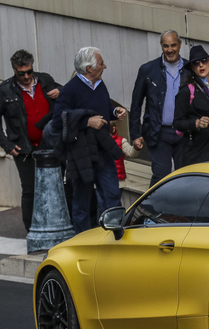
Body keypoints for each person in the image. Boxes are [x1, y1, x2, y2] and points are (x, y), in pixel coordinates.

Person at [51, 46, 126, 234]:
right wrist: (87, 122)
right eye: (101, 64)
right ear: (89, 68)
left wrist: (114, 112)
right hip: (82, 155)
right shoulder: (70, 90)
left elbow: (102, 108)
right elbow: (58, 120)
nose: (105, 66)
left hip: (104, 152)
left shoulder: (100, 84)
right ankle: (82, 243)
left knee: (112, 198)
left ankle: (115, 237)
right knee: (81, 203)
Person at [0, 49, 62, 231]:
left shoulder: (45, 80)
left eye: (29, 71)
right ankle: (32, 230)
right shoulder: (5, 90)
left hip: (51, 145)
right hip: (24, 149)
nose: (26, 76)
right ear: (14, 71)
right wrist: (7, 145)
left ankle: (54, 225)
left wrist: (60, 91)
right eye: (21, 73)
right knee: (30, 190)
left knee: (54, 188)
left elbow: (68, 93)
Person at [130, 30, 187, 186]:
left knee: (185, 177)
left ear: (180, 45)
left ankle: (181, 210)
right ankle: (152, 209)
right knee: (161, 176)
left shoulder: (190, 69)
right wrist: (135, 134)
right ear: (161, 47)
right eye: (166, 46)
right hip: (158, 132)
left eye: (173, 45)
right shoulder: (148, 70)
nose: (170, 50)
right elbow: (136, 104)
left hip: (185, 134)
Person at [173, 45, 209, 167]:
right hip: (198, 149)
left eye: (204, 61)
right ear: (192, 68)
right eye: (196, 63)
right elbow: (177, 122)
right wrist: (196, 123)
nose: (201, 65)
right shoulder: (187, 90)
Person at [111, 121, 143, 195]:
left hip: (118, 181)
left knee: (114, 203)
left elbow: (131, 152)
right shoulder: (96, 140)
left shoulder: (121, 141)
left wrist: (136, 148)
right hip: (101, 180)